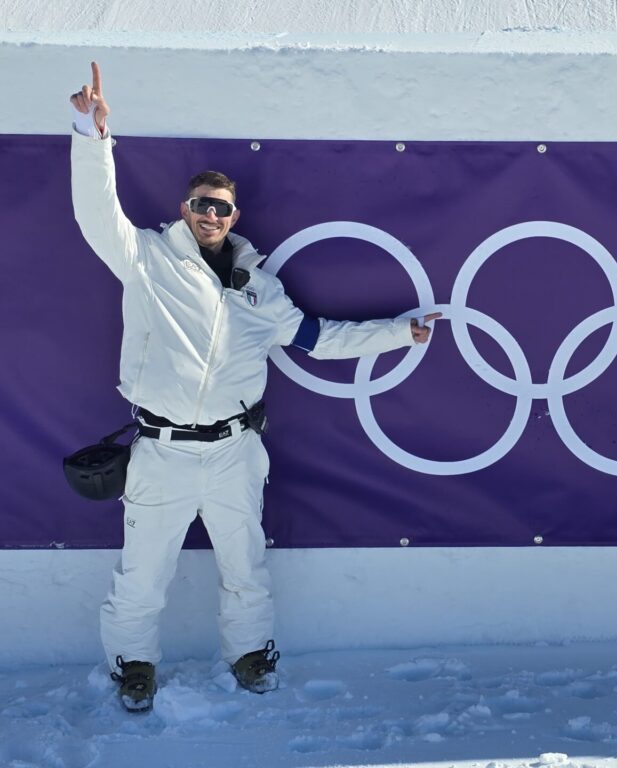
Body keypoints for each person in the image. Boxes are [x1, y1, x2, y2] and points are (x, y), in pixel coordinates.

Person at [69, 62, 440, 713]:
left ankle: (249, 653)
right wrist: (90, 136)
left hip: (235, 451)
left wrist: (397, 332)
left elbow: (317, 339)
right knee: (141, 578)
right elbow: (97, 213)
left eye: (221, 206)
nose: (210, 214)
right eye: (199, 204)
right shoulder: (148, 259)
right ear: (183, 210)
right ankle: (133, 665)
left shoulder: (259, 287)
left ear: (234, 214)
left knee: (245, 568)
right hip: (161, 452)